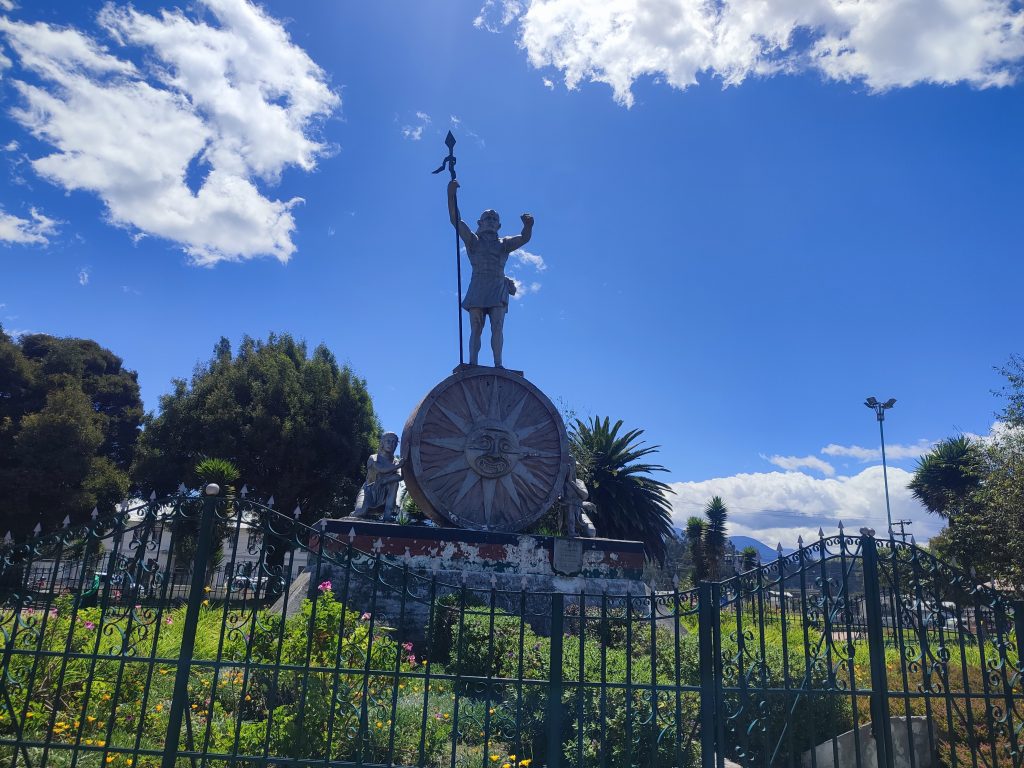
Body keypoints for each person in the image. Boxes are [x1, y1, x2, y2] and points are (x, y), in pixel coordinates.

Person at [447, 179, 534, 367]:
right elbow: (456, 220)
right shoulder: (473, 240)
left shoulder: (504, 244)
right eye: (488, 218)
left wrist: (528, 225)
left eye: (494, 219)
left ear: (499, 225)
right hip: (478, 286)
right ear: (480, 222)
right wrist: (451, 194)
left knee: (498, 327)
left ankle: (498, 364)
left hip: (497, 287)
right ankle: (473, 363)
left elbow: (524, 238)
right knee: (476, 328)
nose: (491, 221)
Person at [352, 432, 404, 521]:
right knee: (360, 512)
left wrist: (384, 481)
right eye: (388, 441)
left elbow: (400, 476)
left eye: (394, 442)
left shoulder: (395, 461)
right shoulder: (374, 458)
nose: (391, 444)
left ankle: (387, 516)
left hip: (385, 494)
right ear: (382, 443)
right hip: (369, 491)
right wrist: (398, 465)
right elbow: (381, 469)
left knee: (394, 483)